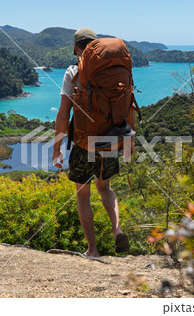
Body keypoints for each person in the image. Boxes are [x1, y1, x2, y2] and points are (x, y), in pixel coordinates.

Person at [52, 28, 133, 257]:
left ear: (77, 47)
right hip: (113, 139)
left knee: (83, 195)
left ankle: (93, 250)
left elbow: (63, 114)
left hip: (84, 143)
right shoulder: (116, 71)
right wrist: (129, 142)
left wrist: (57, 147)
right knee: (105, 188)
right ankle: (117, 230)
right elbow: (129, 106)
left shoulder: (74, 72)